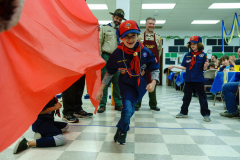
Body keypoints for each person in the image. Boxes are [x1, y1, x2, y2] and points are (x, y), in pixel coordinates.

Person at [96, 20, 160, 145]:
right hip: (125, 86)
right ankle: (123, 132)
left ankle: (120, 128)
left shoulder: (145, 52)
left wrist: (153, 82)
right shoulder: (117, 53)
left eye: (133, 36)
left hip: (140, 87)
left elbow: (155, 68)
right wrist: (101, 89)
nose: (130, 39)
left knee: (130, 112)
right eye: (126, 36)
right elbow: (109, 72)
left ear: (138, 36)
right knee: (127, 112)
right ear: (121, 38)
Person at [168, 36, 211, 122]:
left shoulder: (203, 55)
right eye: (191, 44)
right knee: (186, 96)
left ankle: (206, 114)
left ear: (199, 44)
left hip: (198, 79)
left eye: (194, 44)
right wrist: (174, 66)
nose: (192, 45)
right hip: (189, 79)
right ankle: (183, 112)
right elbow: (184, 67)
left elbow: (204, 69)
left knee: (202, 97)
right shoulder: (187, 55)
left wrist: (206, 67)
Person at [97, 9, 125, 113]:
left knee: (117, 81)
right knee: (104, 80)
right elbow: (99, 42)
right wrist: (100, 57)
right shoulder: (105, 28)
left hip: (118, 57)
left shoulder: (122, 30)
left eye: (120, 19)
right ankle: (102, 104)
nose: (118, 20)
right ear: (113, 17)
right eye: (117, 18)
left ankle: (118, 103)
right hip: (106, 56)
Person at [135, 17, 162, 111]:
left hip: (152, 64)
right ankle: (137, 104)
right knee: (140, 83)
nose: (151, 25)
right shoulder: (140, 37)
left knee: (153, 82)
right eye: (150, 23)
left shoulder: (158, 37)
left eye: (153, 24)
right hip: (141, 64)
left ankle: (153, 105)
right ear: (146, 24)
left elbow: (159, 51)